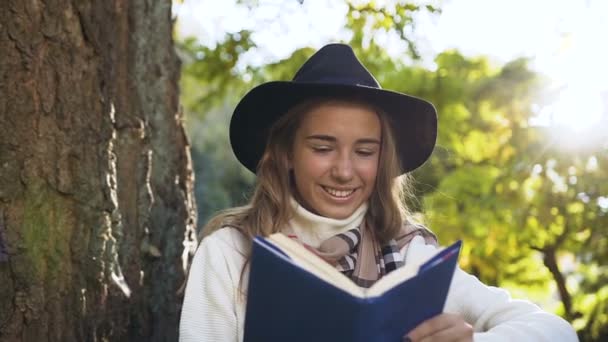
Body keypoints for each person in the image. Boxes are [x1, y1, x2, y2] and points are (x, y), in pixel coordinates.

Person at [179, 43, 578, 341]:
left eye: (365, 151)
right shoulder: (231, 253)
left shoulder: (410, 255)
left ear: (382, 160)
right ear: (285, 153)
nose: (344, 170)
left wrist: (475, 341)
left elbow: (557, 332)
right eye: (322, 147)